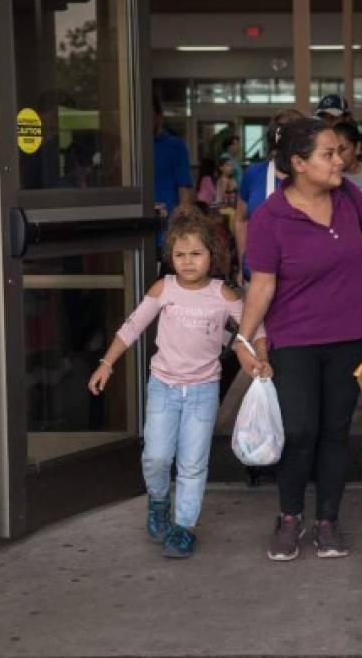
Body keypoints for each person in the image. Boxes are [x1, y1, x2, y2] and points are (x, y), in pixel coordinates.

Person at [234, 117, 362, 561]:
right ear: (299, 163)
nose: (340, 159)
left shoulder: (349, 197)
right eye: (328, 153)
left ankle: (327, 519)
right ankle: (290, 516)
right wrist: (244, 339)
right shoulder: (270, 217)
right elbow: (262, 285)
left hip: (351, 333)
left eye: (339, 151)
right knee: (300, 429)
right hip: (295, 339)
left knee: (334, 430)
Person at [87, 211, 266, 558]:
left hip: (202, 392)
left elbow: (254, 329)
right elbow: (132, 327)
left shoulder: (223, 295)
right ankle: (157, 500)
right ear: (171, 256)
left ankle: (184, 527)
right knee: (155, 456)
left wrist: (260, 356)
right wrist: (106, 363)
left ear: (211, 255)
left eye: (196, 254)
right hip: (163, 388)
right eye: (180, 255)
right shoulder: (164, 288)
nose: (187, 262)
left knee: (193, 463)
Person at [233, 109, 305, 286]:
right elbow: (241, 221)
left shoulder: (311, 177)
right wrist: (243, 263)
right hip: (257, 274)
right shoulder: (254, 174)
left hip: (300, 279)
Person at [152, 94, 194, 265]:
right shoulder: (130, 147)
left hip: (165, 233)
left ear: (159, 115)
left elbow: (185, 191)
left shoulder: (175, 146)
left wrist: (182, 233)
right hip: (134, 232)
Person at [315, 94, 362, 165]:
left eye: (333, 118)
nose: (328, 123)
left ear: (347, 117)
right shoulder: (317, 143)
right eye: (324, 119)